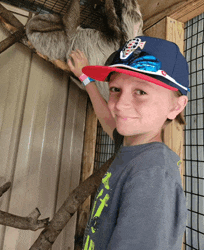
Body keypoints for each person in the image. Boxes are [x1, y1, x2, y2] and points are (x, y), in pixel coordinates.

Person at [68, 36, 189, 250]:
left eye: (140, 92)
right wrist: (85, 78)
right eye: (115, 89)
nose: (120, 105)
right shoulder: (134, 144)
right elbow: (108, 120)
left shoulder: (153, 176)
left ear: (176, 106)